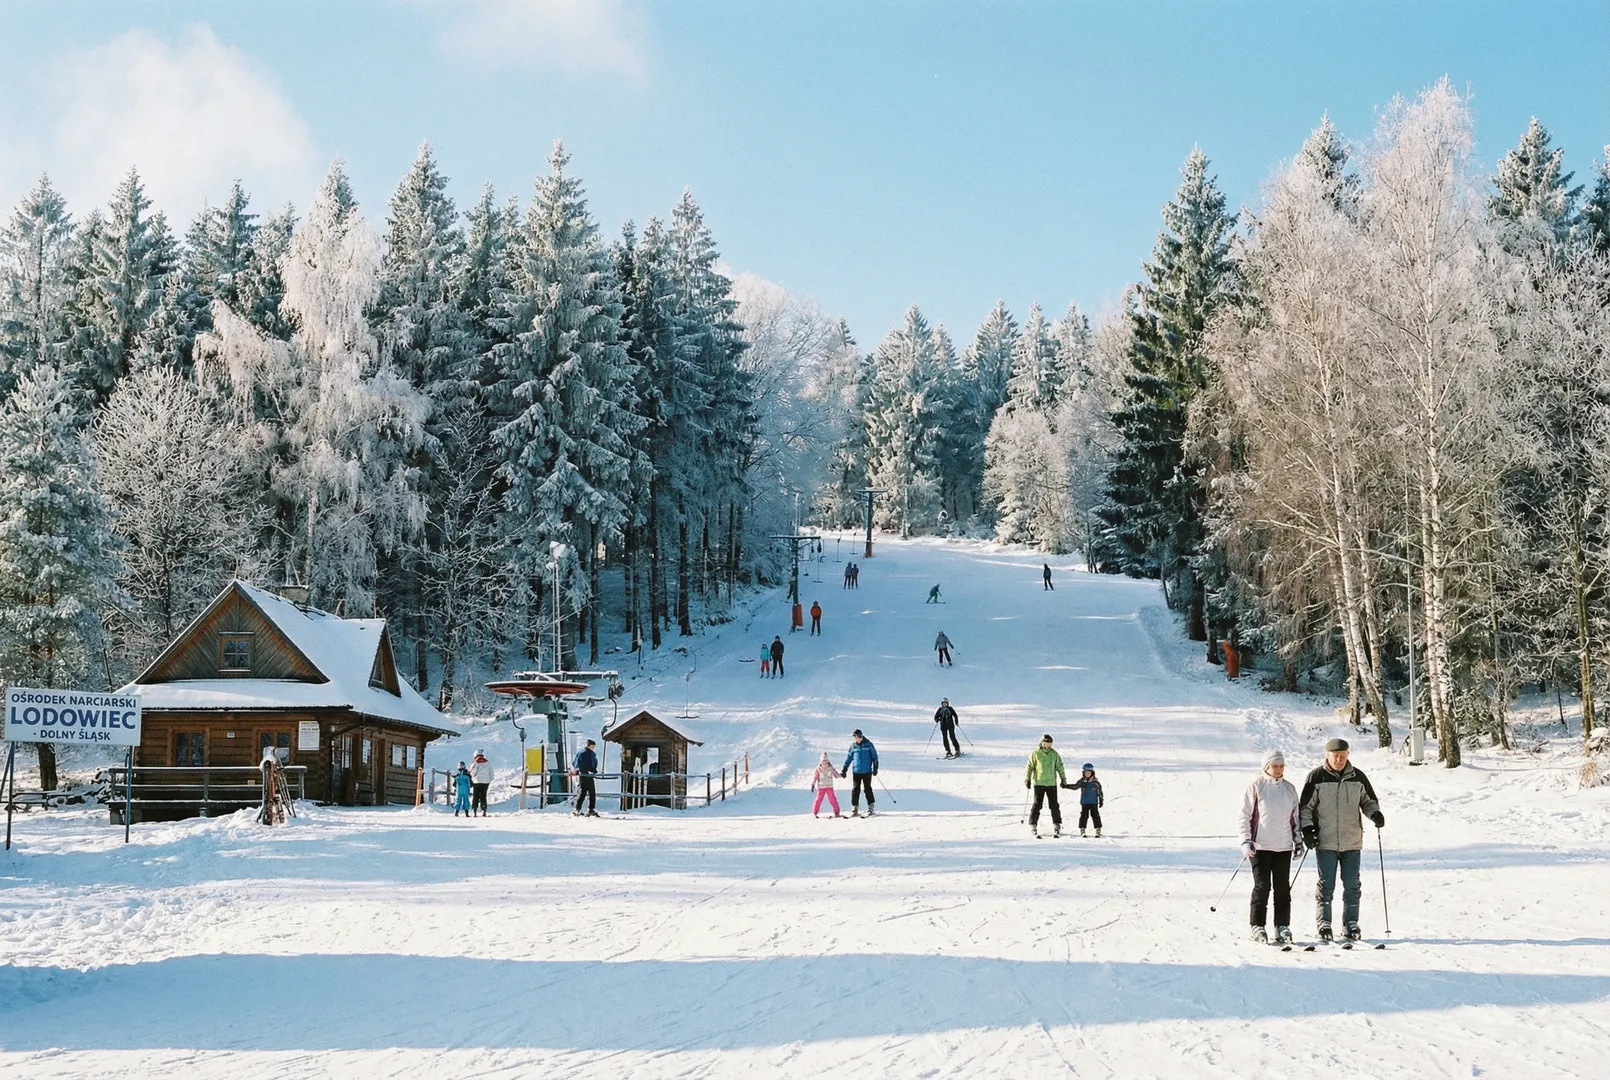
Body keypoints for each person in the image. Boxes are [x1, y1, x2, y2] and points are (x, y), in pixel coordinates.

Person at [1298, 737, 1384, 944]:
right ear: (1327, 755)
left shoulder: (1358, 777)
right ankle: (1324, 923)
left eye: (1343, 756)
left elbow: (1368, 801)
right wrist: (1307, 830)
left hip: (1352, 841)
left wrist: (1375, 814)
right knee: (1326, 884)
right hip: (1325, 841)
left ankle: (1350, 924)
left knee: (1353, 885)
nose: (1339, 759)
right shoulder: (1316, 777)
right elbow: (1305, 808)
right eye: (1336, 756)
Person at [1239, 749, 1300, 946]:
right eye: (1275, 766)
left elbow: (1295, 818)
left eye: (1281, 766)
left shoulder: (1289, 789)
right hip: (1260, 846)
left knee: (1283, 888)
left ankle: (1282, 926)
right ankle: (1257, 925)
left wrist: (1298, 841)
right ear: (1266, 767)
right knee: (1262, 886)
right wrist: (1245, 841)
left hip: (1283, 847)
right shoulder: (1256, 787)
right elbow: (1244, 816)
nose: (1278, 769)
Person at [1024, 734, 1066, 837]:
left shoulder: (1054, 754)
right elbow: (1029, 766)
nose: (1047, 745)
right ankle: (1033, 824)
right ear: (1041, 743)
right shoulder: (1035, 754)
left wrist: (1063, 779)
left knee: (1054, 805)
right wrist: (1027, 779)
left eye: (1049, 743)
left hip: (1051, 783)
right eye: (1045, 743)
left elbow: (1060, 766)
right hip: (1039, 783)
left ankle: (1057, 824)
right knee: (1037, 804)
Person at [842, 729, 879, 817]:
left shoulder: (868, 745)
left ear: (860, 736)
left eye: (856, 736)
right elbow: (849, 758)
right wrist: (844, 769)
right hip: (856, 771)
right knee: (855, 789)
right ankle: (854, 807)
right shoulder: (853, 746)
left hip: (867, 771)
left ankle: (871, 806)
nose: (855, 738)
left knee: (867, 789)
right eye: (854, 737)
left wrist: (875, 768)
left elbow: (875, 757)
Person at [1067, 762, 1104, 837]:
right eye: (1086, 772)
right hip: (1085, 802)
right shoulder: (1082, 782)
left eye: (1089, 772)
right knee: (1084, 816)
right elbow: (1075, 787)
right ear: (1083, 773)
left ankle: (1098, 829)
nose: (1087, 774)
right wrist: (1066, 786)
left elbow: (1100, 792)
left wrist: (1101, 799)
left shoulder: (1096, 783)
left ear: (1092, 773)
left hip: (1093, 802)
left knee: (1095, 815)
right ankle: (1082, 829)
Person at [572, 738, 600, 817]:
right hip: (587, 775)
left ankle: (578, 809)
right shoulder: (587, 753)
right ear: (589, 746)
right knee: (592, 793)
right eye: (592, 746)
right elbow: (588, 764)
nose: (593, 748)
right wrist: (593, 771)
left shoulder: (582, 753)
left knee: (583, 792)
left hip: (583, 775)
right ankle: (591, 809)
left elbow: (577, 763)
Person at [811, 752, 843, 818]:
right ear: (821, 761)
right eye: (823, 760)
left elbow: (836, 774)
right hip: (821, 787)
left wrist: (841, 775)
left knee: (833, 799)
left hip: (829, 787)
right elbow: (815, 777)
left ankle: (837, 812)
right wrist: (813, 784)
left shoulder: (830, 768)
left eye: (825, 760)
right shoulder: (818, 769)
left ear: (828, 761)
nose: (824, 762)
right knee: (818, 799)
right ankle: (815, 812)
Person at [469, 750, 493, 816]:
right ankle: (484, 810)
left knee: (475, 796)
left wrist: (472, 777)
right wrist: (489, 780)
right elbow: (491, 772)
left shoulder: (475, 762)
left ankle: (475, 810)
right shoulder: (487, 762)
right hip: (485, 782)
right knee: (483, 796)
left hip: (477, 782)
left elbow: (473, 772)